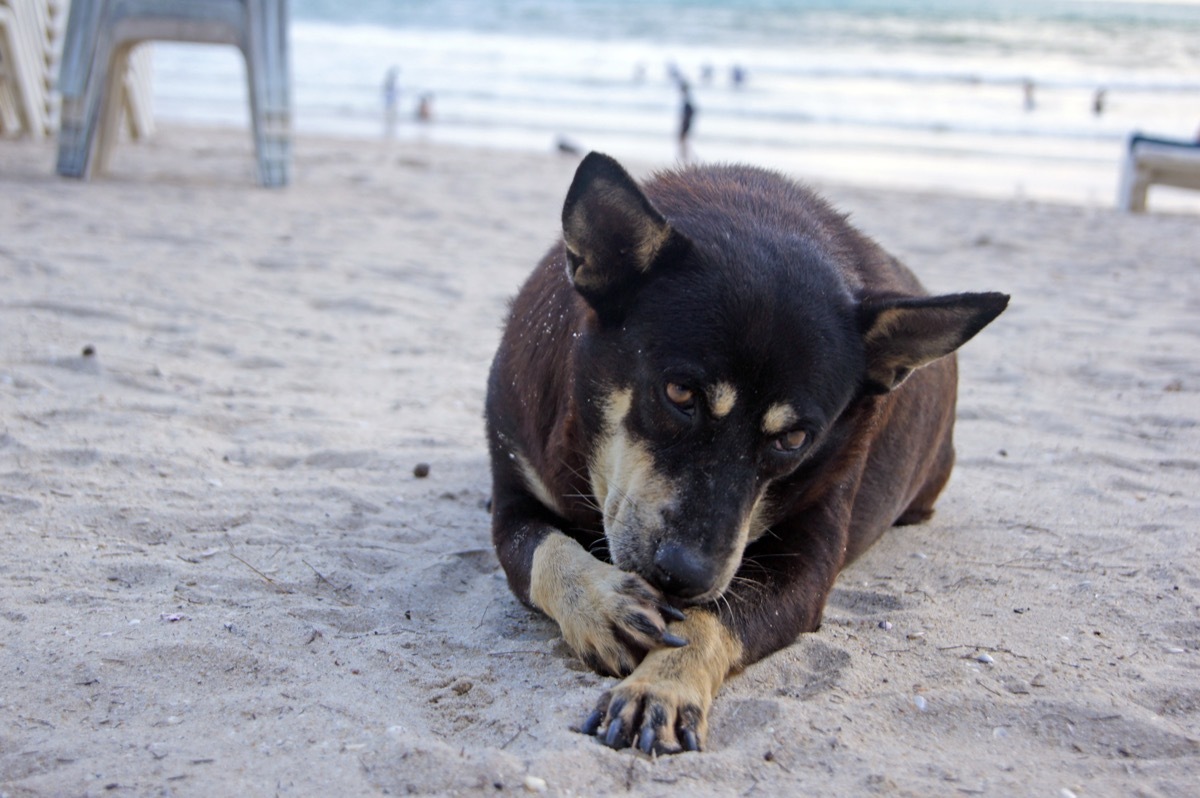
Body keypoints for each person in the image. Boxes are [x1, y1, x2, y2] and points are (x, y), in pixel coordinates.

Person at [678, 80, 696, 162]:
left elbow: (691, 112)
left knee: (685, 145)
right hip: (686, 125)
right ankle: (686, 160)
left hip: (686, 126)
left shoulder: (687, 101)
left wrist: (685, 125)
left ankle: (687, 160)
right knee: (686, 144)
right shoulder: (687, 100)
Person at [382, 66, 400, 137]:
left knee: (391, 114)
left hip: (391, 101)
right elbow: (386, 91)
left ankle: (390, 127)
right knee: (390, 114)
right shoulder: (389, 83)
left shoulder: (390, 82)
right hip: (390, 101)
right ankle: (389, 128)